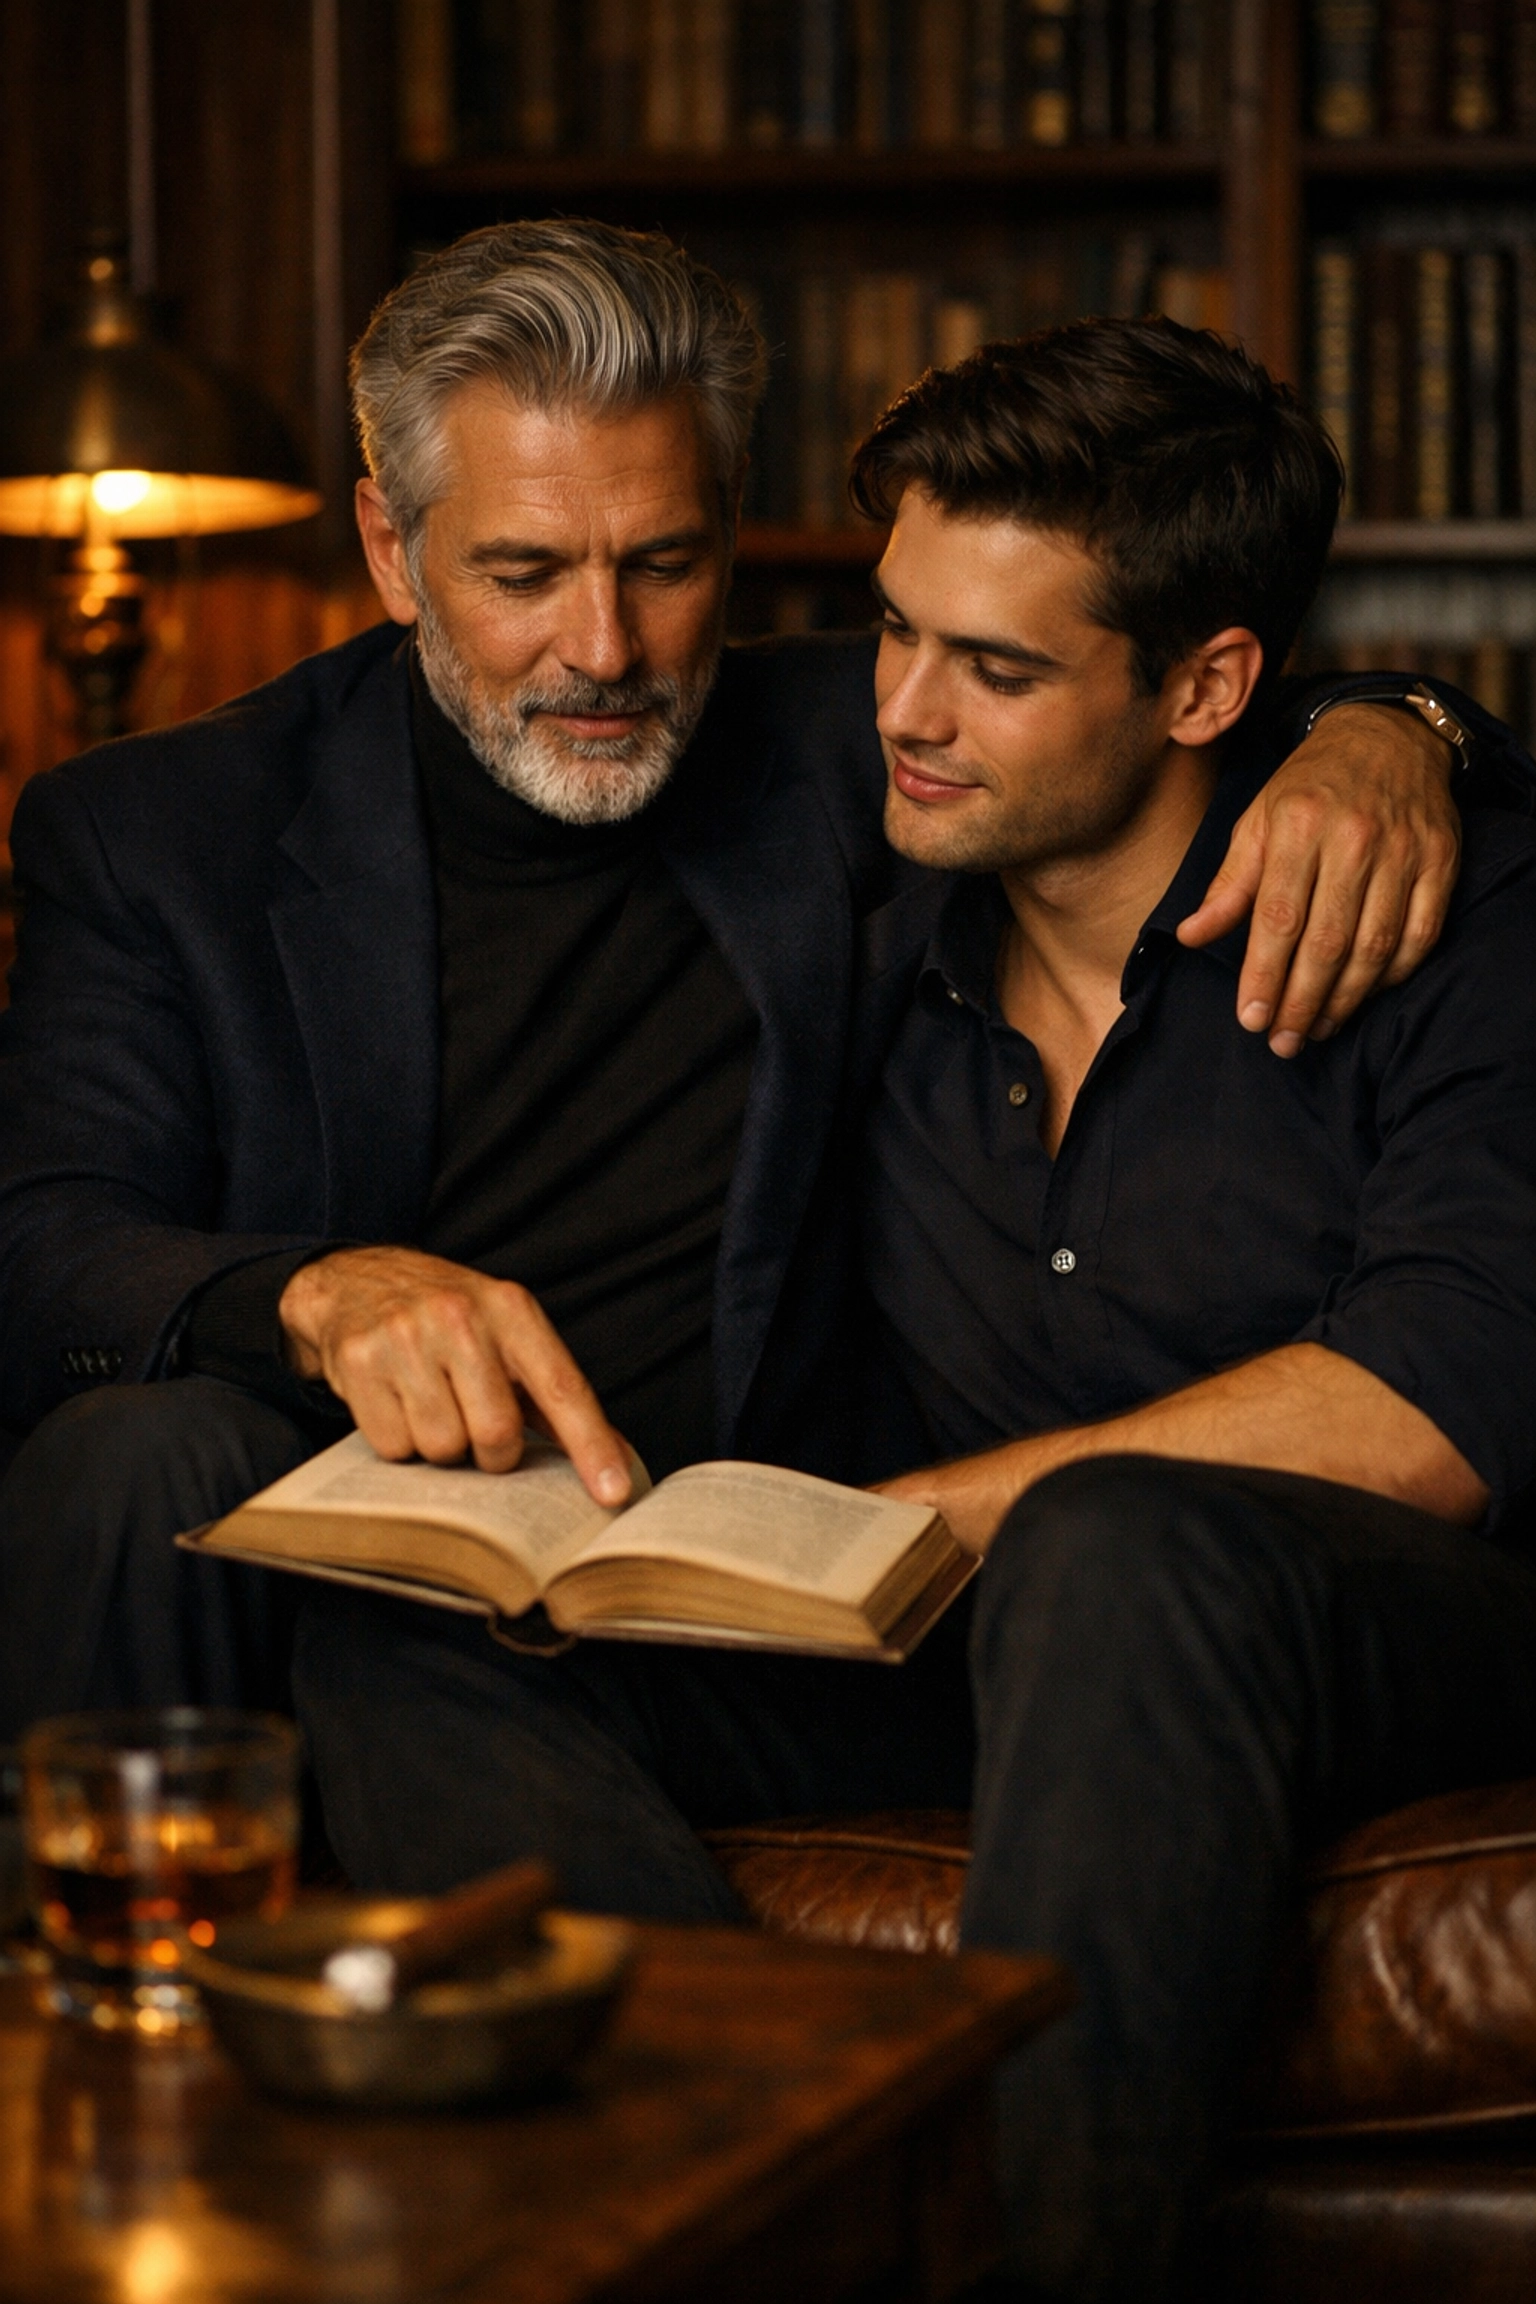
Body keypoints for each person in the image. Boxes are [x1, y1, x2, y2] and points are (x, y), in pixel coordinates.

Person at [290, 316, 1536, 2303]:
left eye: (1000, 667)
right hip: (959, 1636)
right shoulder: (855, 891)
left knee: (1118, 1546)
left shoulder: (1444, 925)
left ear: (1213, 683)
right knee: (401, 1612)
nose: (908, 712)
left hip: (1381, 1623)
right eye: (893, 632)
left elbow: (1435, 1417)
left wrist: (1404, 735)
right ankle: (751, 2201)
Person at [0, 215, 1514, 1738]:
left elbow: (1133, 690)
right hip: (322, 1522)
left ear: (727, 527)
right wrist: (312, 1298)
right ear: (394, 550)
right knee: (141, 1459)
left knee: (432, 1676)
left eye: (664, 563)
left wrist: (1398, 732)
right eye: (523, 572)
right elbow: (36, 1240)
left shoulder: (852, 742)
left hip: (720, 1573)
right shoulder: (161, 835)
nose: (605, 648)